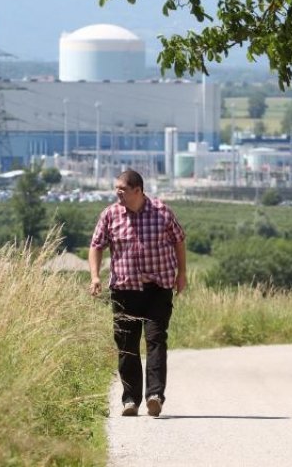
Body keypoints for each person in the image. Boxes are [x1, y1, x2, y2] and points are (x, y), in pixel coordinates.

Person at [88, 169, 186, 417]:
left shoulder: (161, 212)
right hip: (124, 289)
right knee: (127, 346)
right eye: (116, 188)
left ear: (137, 190)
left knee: (155, 340)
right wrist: (95, 276)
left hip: (158, 288)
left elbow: (179, 240)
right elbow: (96, 245)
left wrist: (181, 273)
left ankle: (155, 395)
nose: (117, 192)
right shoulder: (110, 215)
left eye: (122, 188)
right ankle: (130, 400)